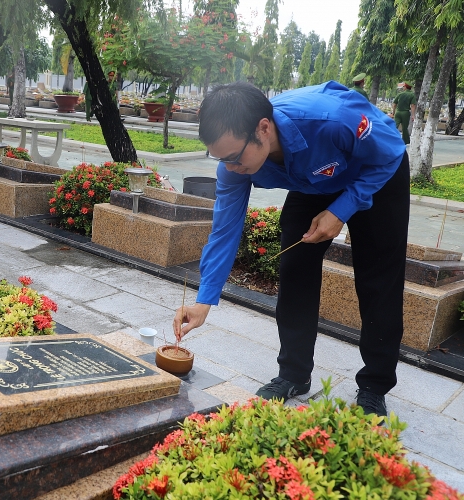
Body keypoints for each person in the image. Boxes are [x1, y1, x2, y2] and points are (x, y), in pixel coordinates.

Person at [173, 81, 408, 417]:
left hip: (374, 171)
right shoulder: (233, 165)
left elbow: (391, 151)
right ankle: (294, 374)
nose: (231, 168)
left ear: (263, 129)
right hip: (315, 179)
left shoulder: (333, 120)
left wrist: (341, 210)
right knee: (295, 267)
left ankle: (374, 385)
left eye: (235, 158)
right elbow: (224, 231)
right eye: (222, 159)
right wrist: (204, 300)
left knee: (378, 279)